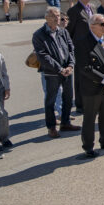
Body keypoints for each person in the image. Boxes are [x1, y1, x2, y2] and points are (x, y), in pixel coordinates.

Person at [75, 14, 104, 157]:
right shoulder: (82, 43)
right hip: (93, 87)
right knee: (90, 118)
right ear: (92, 26)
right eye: (101, 24)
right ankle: (88, 147)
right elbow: (85, 67)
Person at [33, 7, 79, 138]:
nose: (57, 18)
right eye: (54, 16)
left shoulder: (63, 32)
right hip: (52, 72)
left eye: (58, 15)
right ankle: (51, 127)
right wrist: (59, 69)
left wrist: (70, 65)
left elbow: (71, 49)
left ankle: (65, 122)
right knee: (51, 101)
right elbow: (43, 55)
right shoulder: (38, 35)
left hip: (67, 70)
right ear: (46, 18)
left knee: (68, 98)